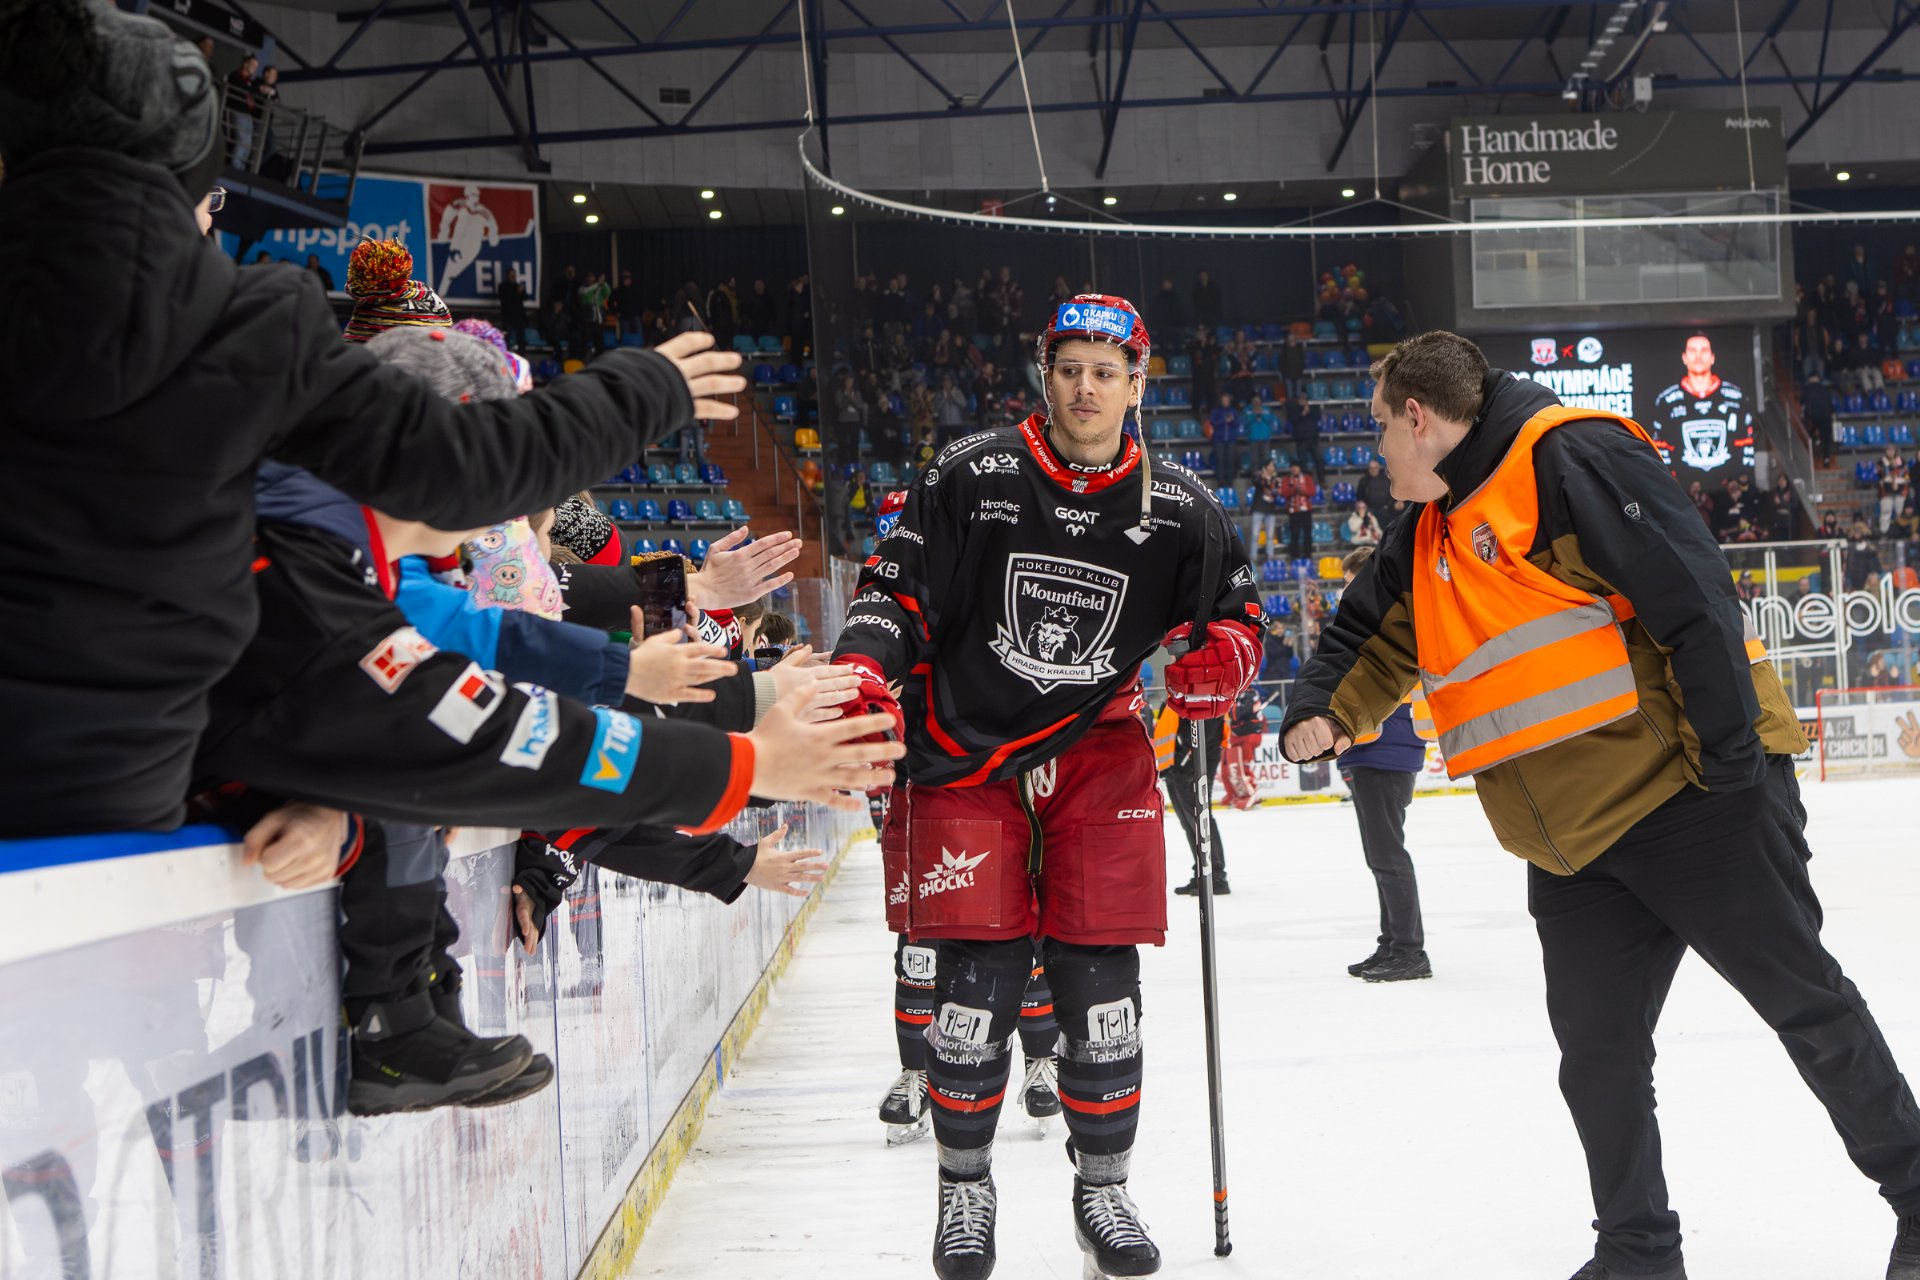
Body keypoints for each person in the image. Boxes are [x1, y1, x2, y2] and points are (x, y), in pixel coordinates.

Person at [0, 2, 748, 839]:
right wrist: (644, 393)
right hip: (120, 786)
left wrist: (678, 582)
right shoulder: (252, 331)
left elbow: (531, 553)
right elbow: (470, 501)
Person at [1279, 329, 1920, 1280]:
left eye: (1379, 428)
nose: (1376, 451)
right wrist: (1321, 713)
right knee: (1598, 1057)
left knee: (1807, 1008)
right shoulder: (1429, 529)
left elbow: (1694, 598)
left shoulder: (1569, 457)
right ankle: (1636, 1253)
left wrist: (1732, 774)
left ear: (1419, 418)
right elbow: (1365, 637)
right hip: (1574, 842)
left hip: (1691, 797)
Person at [830, 293, 1262, 1279]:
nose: (1086, 388)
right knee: (974, 986)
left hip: (1099, 753)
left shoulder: (1180, 506)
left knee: (1101, 985)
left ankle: (1103, 1191)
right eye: (1070, 369)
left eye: (1106, 372)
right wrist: (863, 669)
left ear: (1137, 384)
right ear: (1045, 374)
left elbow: (1239, 617)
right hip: (963, 751)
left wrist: (1224, 662)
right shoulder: (969, 472)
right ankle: (964, 1191)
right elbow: (892, 595)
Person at [1334, 546, 1433, 982]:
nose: (1345, 591)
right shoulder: (1374, 621)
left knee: (1388, 856)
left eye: (1350, 583)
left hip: (1385, 749)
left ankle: (1409, 950)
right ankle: (1393, 942)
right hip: (1375, 749)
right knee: (1381, 856)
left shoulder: (1383, 623)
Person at [1650, 333, 1754, 480]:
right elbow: (1659, 448)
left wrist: (1741, 480)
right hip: (1682, 488)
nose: (1698, 357)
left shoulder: (1736, 397)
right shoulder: (1666, 401)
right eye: (1693, 350)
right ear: (1684, 357)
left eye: (1704, 350)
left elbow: (1747, 443)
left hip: (1729, 485)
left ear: (1712, 357)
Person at [1159, 697, 1230, 897]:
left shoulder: (1206, 696)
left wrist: (1184, 764)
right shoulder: (1179, 696)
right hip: (1175, 769)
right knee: (1191, 823)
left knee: (1200, 821)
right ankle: (1202, 873)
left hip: (1190, 769)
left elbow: (1205, 735)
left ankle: (1215, 876)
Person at [1283, 461, 1318, 559]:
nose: (1294, 469)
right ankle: (1295, 556)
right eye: (1292, 467)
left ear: (1300, 468)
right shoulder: (1286, 480)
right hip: (1293, 511)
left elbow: (1312, 492)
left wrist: (1302, 490)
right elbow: (1284, 493)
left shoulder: (1307, 478)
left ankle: (1308, 555)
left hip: (1306, 511)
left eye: (1296, 467)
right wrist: (1294, 489)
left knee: (1307, 534)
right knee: (1294, 535)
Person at [1289, 388, 1323, 483]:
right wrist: (1302, 413)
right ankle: (1305, 481)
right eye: (1300, 399)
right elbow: (1293, 419)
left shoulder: (1313, 409)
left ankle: (1322, 481)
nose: (1302, 401)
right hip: (1301, 440)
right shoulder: (1294, 410)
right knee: (1302, 462)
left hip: (1313, 439)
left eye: (1304, 399)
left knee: (1319, 460)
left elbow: (1318, 417)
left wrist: (1308, 411)